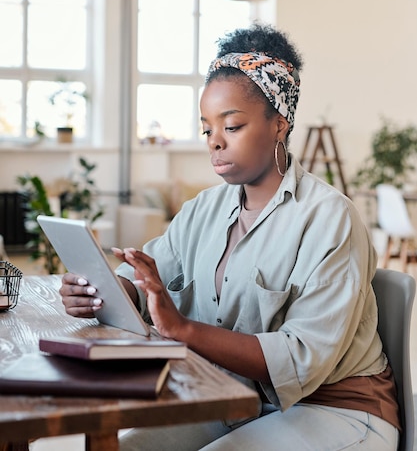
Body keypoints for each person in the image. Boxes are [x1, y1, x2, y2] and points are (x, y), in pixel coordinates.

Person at [60, 23, 400, 450]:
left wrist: (183, 329)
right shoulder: (204, 209)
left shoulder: (330, 218)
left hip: (336, 410)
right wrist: (106, 290)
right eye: (207, 129)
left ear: (280, 123)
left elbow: (300, 360)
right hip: (234, 400)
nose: (214, 142)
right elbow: (145, 276)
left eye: (232, 126)